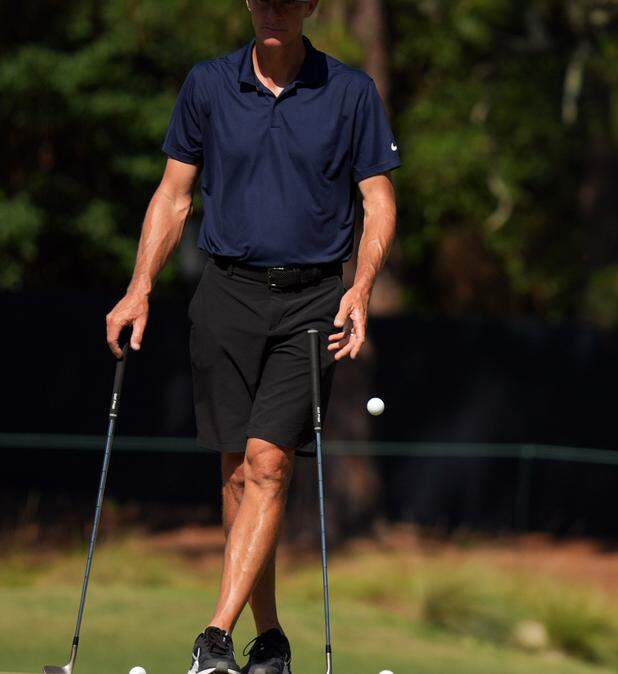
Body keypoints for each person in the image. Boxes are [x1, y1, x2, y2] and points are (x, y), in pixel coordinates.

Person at [103, 0, 400, 672]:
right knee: (237, 474)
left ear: (313, 6)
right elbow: (174, 194)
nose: (274, 10)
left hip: (313, 299)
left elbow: (376, 199)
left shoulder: (351, 92)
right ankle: (269, 639)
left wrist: (362, 286)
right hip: (225, 294)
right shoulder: (208, 84)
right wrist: (140, 284)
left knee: (269, 462)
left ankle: (213, 638)